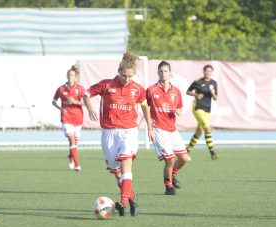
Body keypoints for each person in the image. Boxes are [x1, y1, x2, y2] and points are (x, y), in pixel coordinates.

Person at [83, 52, 154, 217]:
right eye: (124, 75)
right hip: (108, 133)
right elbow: (86, 95)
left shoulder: (137, 89)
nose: (127, 79)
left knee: (125, 163)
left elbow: (145, 106)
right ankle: (131, 196)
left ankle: (122, 202)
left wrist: (150, 127)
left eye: (130, 76)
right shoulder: (107, 85)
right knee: (116, 172)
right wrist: (91, 108)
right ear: (118, 71)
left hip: (129, 131)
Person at [146, 61, 190, 195]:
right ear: (157, 73)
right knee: (170, 159)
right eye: (161, 71)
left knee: (184, 158)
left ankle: (173, 174)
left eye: (166, 71)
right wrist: (149, 128)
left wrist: (179, 111)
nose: (163, 73)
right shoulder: (151, 90)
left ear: (170, 73)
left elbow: (180, 107)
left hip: (172, 129)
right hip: (159, 129)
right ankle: (168, 186)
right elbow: (145, 107)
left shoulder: (176, 91)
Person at [52, 65, 85, 171]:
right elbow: (54, 101)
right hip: (66, 118)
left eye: (72, 75)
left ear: (75, 77)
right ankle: (77, 164)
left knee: (75, 142)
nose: (70, 77)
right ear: (66, 76)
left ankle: (71, 156)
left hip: (78, 118)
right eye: (69, 75)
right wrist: (60, 109)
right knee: (71, 140)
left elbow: (85, 102)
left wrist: (75, 102)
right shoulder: (61, 89)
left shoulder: (80, 88)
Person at [186, 64, 219, 160]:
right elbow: (187, 91)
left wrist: (213, 94)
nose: (208, 73)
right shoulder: (198, 81)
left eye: (210, 71)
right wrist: (195, 95)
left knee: (199, 132)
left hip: (207, 110)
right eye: (206, 71)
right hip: (198, 108)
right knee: (207, 128)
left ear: (212, 72)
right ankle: (212, 152)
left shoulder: (214, 83)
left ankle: (187, 150)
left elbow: (216, 98)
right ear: (203, 72)